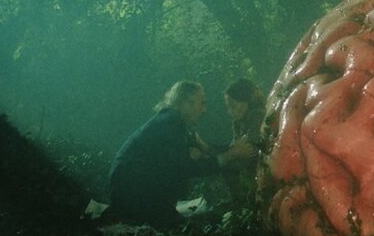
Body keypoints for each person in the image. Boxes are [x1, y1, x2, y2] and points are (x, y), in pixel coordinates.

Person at [107, 81, 254, 227]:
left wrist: (230, 150)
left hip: (131, 190)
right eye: (201, 103)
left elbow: (185, 160)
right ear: (186, 103)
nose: (204, 110)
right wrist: (230, 155)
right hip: (133, 193)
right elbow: (185, 168)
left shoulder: (169, 122)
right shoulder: (171, 125)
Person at [220, 78, 266, 206]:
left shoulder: (258, 117)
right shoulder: (239, 122)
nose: (230, 111)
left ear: (248, 100)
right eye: (228, 107)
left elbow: (249, 150)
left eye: (233, 106)